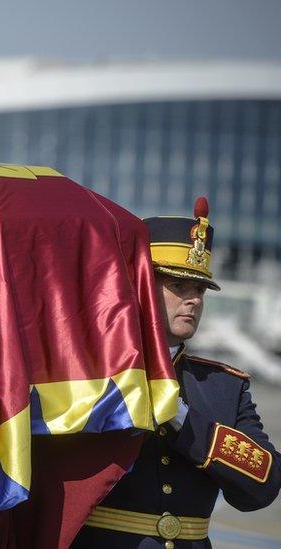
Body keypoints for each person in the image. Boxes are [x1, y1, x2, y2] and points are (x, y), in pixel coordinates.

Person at [73, 197, 281, 548]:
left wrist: (184, 421)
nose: (195, 300)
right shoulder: (86, 372)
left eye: (199, 289)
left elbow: (264, 484)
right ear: (140, 287)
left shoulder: (224, 388)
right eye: (179, 286)